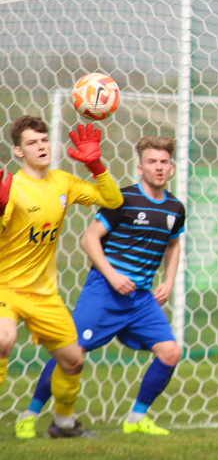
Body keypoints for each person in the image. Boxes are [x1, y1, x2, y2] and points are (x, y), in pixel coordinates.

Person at [16, 135, 185, 439]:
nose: (158, 168)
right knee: (70, 353)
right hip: (104, 292)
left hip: (141, 299)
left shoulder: (175, 208)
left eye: (163, 162)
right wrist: (112, 275)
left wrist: (169, 280)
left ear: (171, 168)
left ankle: (136, 418)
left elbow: (173, 244)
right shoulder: (122, 200)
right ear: (140, 167)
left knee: (171, 351)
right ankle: (30, 415)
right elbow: (88, 239)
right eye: (152, 162)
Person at [0, 116, 122, 439]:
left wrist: (96, 165)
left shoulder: (62, 182)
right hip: (6, 289)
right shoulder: (11, 188)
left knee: (73, 361)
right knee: (2, 339)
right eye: (31, 143)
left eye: (43, 141)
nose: (40, 147)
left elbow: (113, 201)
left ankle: (64, 424)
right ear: (17, 151)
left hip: (44, 294)